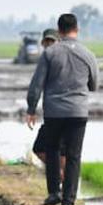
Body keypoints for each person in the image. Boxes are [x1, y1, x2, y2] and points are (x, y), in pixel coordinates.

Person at [26, 13, 100, 205]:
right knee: (74, 157)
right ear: (77, 29)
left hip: (54, 112)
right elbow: (94, 85)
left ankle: (53, 193)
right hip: (78, 112)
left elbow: (36, 85)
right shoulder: (88, 54)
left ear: (59, 31)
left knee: (52, 150)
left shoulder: (50, 53)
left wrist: (31, 109)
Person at [31, 29, 65, 170]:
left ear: (58, 42)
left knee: (61, 149)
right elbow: (37, 85)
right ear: (43, 44)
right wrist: (31, 107)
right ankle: (60, 173)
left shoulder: (63, 59)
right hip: (52, 112)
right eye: (47, 42)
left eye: (52, 41)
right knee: (40, 147)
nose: (49, 45)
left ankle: (61, 175)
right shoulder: (45, 59)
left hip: (63, 110)